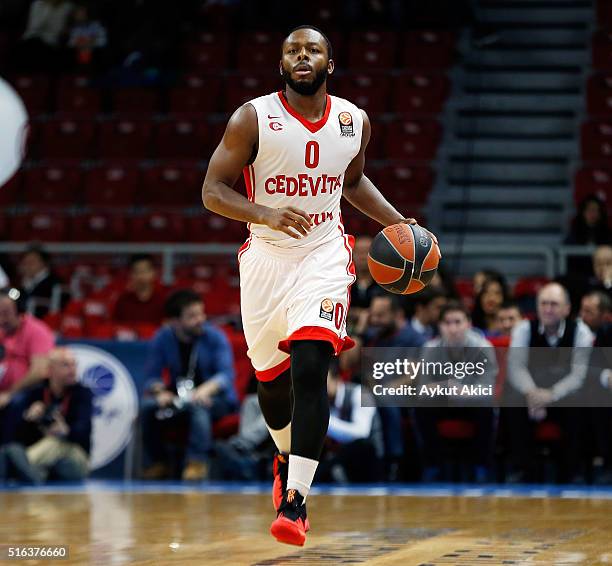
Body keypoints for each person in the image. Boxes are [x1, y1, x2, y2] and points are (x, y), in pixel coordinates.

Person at [202, 25, 438, 546]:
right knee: (271, 382)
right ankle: (284, 457)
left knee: (312, 365)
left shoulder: (354, 122)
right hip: (265, 258)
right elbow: (211, 191)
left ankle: (297, 500)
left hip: (324, 253)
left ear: (329, 64)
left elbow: (350, 183)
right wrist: (262, 211)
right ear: (281, 64)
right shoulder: (252, 118)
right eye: (291, 50)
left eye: (312, 49)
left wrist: (403, 225)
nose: (301, 55)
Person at [141, 289, 237, 481]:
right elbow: (151, 376)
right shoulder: (163, 338)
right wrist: (160, 392)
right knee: (147, 407)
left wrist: (204, 390)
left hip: (216, 399)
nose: (200, 319)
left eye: (201, 313)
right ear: (175, 321)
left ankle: (196, 463)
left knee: (198, 406)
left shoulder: (215, 337)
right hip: (180, 397)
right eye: (192, 316)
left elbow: (226, 375)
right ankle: (157, 464)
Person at [506, 282, 594, 482]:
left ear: (567, 309)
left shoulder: (581, 332)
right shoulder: (523, 329)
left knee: (582, 400)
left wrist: (551, 395)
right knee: (511, 397)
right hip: (531, 393)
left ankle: (572, 472)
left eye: (554, 304)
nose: (547, 309)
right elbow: (516, 367)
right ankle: (523, 469)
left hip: (563, 395)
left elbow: (578, 376)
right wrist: (532, 394)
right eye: (543, 303)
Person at [415, 301, 498, 482]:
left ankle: (481, 466)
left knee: (486, 407)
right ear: (440, 326)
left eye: (458, 322)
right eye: (447, 323)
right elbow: (422, 389)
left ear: (468, 324)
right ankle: (433, 465)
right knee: (421, 406)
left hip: (472, 402)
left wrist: (466, 392)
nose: (452, 328)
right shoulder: (429, 349)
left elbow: (488, 389)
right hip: (443, 401)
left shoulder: (483, 347)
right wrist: (445, 386)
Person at [1, 347, 92, 483]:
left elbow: (84, 431)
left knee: (54, 443)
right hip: (45, 463)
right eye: (65, 365)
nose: (72, 370)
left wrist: (66, 431)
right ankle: (28, 470)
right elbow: (18, 435)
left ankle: (18, 466)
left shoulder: (82, 394)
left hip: (74, 459)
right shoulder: (36, 393)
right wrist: (29, 418)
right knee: (14, 448)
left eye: (74, 364)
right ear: (50, 370)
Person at [0, 288, 55, 445]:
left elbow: (39, 371)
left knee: (16, 402)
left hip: (28, 391)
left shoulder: (37, 331)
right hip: (3, 390)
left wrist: (9, 394)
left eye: (5, 312)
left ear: (20, 310)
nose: (1, 318)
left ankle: (7, 453)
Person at [316, 364, 383, 483]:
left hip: (368, 461)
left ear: (337, 379)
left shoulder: (361, 394)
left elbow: (361, 433)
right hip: (340, 459)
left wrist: (324, 422)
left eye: (323, 380)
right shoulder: (324, 402)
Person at [111, 254, 168, 328]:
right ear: (130, 274)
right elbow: (115, 328)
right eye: (136, 272)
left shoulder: (164, 300)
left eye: (144, 271)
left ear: (153, 273)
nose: (140, 276)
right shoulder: (123, 301)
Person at [18, 244, 67, 319]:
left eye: (31, 262)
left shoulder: (55, 284)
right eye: (25, 262)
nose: (27, 266)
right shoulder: (21, 284)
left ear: (44, 263)